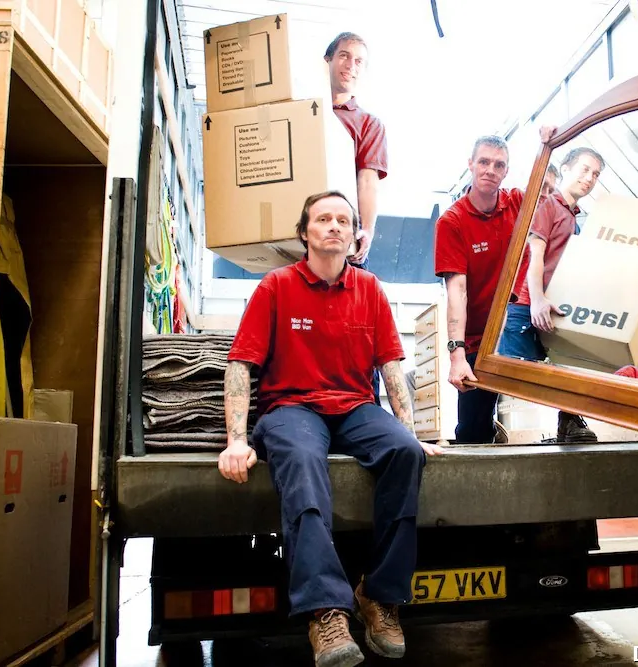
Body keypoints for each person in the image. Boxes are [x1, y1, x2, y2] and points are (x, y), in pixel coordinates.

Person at [220, 191, 444, 667]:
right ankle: (325, 610)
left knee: (406, 453)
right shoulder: (276, 286)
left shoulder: (370, 289)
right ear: (305, 233)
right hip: (291, 408)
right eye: (324, 219)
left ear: (354, 234)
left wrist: (411, 432)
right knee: (301, 461)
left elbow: (391, 366)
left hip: (354, 407)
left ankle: (379, 595)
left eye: (344, 220)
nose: (335, 227)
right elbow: (241, 364)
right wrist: (236, 440)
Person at [433, 127, 557, 444]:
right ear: (471, 164)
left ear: (506, 171)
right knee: (472, 427)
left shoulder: (516, 202)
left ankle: (566, 421)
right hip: (477, 338)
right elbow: (457, 292)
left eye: (498, 165)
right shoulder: (453, 221)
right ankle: (483, 437)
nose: (490, 170)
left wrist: (547, 143)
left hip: (514, 325)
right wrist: (456, 353)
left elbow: (543, 185)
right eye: (484, 162)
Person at [499, 147, 605, 442]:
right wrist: (536, 301)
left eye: (595, 174)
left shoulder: (573, 217)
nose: (589, 178)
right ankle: (487, 426)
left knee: (572, 361)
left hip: (555, 304)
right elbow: (535, 256)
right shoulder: (547, 205)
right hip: (528, 303)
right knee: (510, 372)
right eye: (584, 169)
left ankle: (568, 422)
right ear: (566, 169)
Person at [324, 32, 386, 271]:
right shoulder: (302, 113)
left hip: (344, 239)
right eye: (344, 56)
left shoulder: (368, 124)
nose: (351, 65)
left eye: (359, 61)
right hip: (302, 236)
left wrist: (366, 232)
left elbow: (368, 182)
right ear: (327, 60)